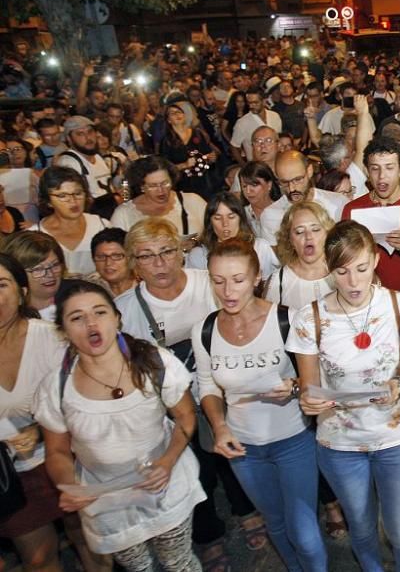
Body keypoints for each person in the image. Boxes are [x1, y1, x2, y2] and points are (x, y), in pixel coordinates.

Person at [34, 279, 205, 570]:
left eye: (100, 312)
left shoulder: (154, 363)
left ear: (117, 318)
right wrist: (71, 486)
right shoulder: (56, 388)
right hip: (107, 505)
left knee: (178, 564)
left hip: (164, 489)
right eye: (77, 317)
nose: (91, 323)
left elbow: (186, 417)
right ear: (63, 330)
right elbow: (57, 452)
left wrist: (167, 460)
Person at [115, 218, 257, 569]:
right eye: (146, 256)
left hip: (224, 388)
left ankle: (248, 510)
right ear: (134, 263)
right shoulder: (126, 308)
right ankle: (208, 534)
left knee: (234, 457)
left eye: (166, 252)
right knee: (194, 469)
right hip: (172, 407)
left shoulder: (207, 284)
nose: (159, 263)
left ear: (181, 253)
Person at [291, 221, 400, 571]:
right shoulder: (311, 318)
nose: (353, 281)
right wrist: (309, 400)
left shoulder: (399, 305)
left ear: (376, 260)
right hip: (340, 444)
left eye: (361, 268)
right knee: (361, 528)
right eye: (342, 271)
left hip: (395, 437)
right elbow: (309, 387)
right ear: (329, 269)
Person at [194, 239, 327, 571]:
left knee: (305, 531)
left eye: (237, 279)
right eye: (218, 280)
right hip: (243, 449)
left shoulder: (287, 319)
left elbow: (318, 377)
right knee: (276, 523)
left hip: (294, 440)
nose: (227, 290)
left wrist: (296, 386)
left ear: (256, 278)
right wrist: (220, 426)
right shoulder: (205, 330)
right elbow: (208, 384)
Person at [0, 256, 108, 572]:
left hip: (70, 457)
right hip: (12, 474)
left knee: (90, 541)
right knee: (37, 558)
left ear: (21, 291)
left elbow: (88, 394)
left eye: (1, 284)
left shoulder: (53, 337)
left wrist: (40, 427)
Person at [343, 137, 400, 292]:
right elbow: (343, 262)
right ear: (366, 171)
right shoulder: (352, 209)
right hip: (364, 297)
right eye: (375, 168)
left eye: (389, 168)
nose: (381, 176)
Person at [32, 166, 109, 277]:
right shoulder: (36, 235)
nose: (73, 201)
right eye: (62, 196)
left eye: (78, 193)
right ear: (48, 201)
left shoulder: (102, 226)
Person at [260, 151, 348, 243]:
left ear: (309, 171)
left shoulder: (338, 203)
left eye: (297, 180)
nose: (292, 189)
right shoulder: (270, 216)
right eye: (284, 182)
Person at [186, 192, 279, 280]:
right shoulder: (199, 255)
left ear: (240, 219)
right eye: (217, 218)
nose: (225, 223)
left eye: (231, 217)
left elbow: (270, 286)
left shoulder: (260, 248)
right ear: (210, 222)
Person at [110, 157, 207, 239]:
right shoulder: (123, 214)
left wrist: (195, 241)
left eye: (165, 183)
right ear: (141, 186)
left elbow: (213, 234)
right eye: (153, 186)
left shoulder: (193, 201)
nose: (161, 190)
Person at [264, 201, 336, 309]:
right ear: (290, 240)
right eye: (299, 232)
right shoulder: (277, 283)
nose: (308, 236)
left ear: (327, 233)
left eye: (315, 229)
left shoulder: (344, 272)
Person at [157, 100, 221, 200]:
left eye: (179, 112)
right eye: (173, 113)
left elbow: (207, 155)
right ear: (168, 120)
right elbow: (165, 168)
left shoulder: (197, 133)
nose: (177, 115)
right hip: (183, 185)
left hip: (204, 182)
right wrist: (184, 165)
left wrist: (211, 158)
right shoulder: (167, 141)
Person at [55, 116, 115, 218]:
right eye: (80, 134)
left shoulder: (98, 157)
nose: (88, 138)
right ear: (69, 139)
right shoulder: (68, 162)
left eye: (90, 132)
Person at [0, 231, 65, 321]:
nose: (50, 274)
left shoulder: (77, 297)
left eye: (55, 265)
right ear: (16, 273)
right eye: (38, 269)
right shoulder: (5, 312)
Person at [230, 87, 282, 161]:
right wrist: (243, 165)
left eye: (255, 102)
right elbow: (234, 146)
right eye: (249, 103)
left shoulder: (275, 116)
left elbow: (278, 139)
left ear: (264, 101)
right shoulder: (242, 123)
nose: (251, 106)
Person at [88, 228, 137, 297]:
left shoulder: (147, 285)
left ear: (131, 257)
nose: (108, 263)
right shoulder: (87, 288)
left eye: (117, 256)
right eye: (101, 257)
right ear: (93, 259)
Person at [238, 161, 282, 237]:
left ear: (269, 185)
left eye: (254, 185)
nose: (248, 191)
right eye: (244, 186)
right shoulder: (241, 215)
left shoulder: (283, 211)